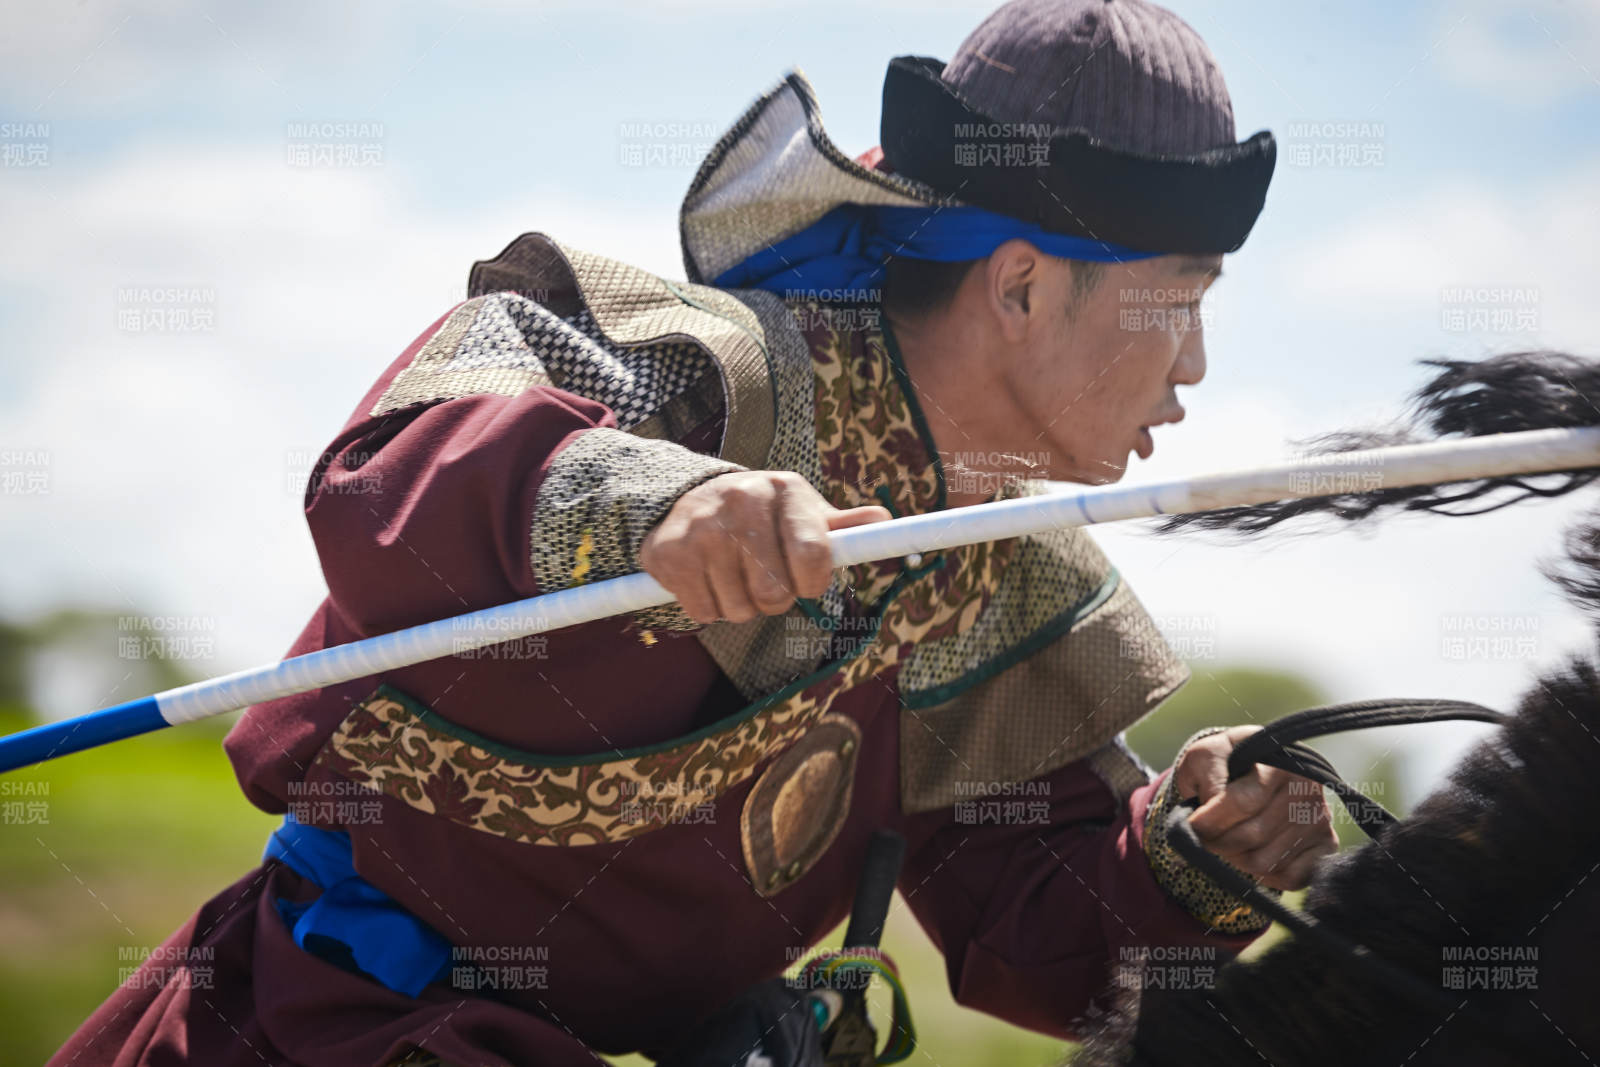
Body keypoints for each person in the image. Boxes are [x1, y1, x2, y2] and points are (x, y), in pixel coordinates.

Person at [49, 1, 1335, 1064]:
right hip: (326, 1024)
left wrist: (1190, 851)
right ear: (1018, 285)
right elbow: (386, 486)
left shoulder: (1007, 576)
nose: (1199, 366)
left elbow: (1032, 935)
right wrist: (656, 505)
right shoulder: (698, 372)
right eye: (1175, 303)